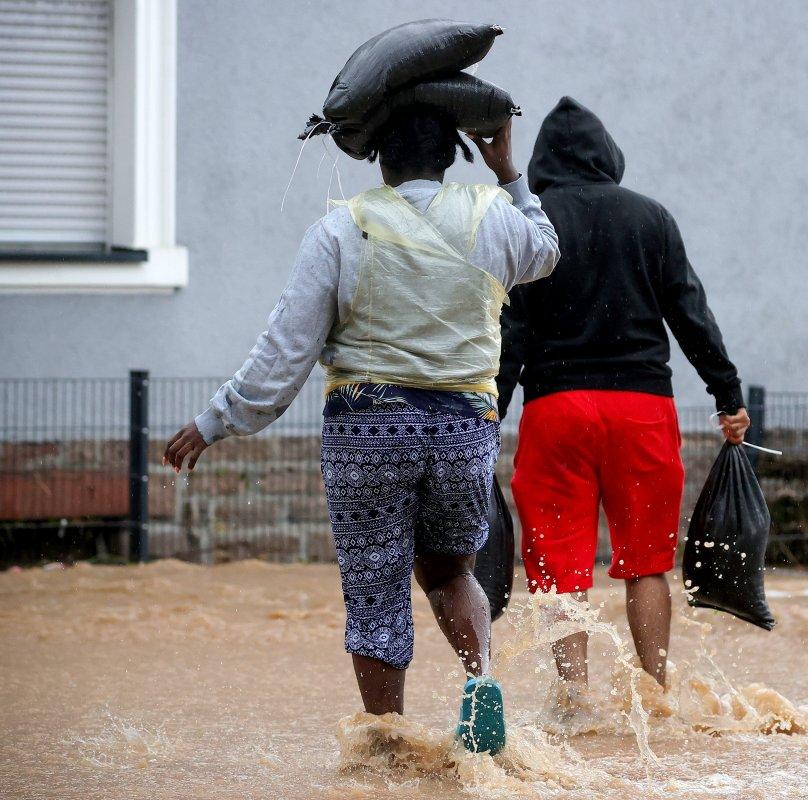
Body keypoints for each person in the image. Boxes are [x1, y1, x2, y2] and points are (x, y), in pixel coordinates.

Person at [162, 108, 559, 754]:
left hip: (370, 432)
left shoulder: (342, 229)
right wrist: (508, 170)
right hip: (464, 429)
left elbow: (285, 352)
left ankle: (386, 750)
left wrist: (216, 421)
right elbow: (547, 250)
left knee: (377, 590)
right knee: (451, 570)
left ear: (378, 157)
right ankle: (481, 679)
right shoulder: (493, 217)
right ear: (452, 155)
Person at [496, 97, 749, 704]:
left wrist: (489, 414)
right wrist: (727, 392)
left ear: (544, 161)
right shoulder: (650, 218)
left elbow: (510, 332)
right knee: (648, 561)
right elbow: (690, 313)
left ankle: (574, 703)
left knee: (560, 567)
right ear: (607, 155)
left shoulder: (531, 223)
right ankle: (656, 693)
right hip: (642, 409)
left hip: (556, 411)